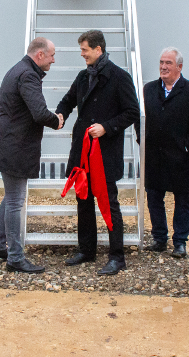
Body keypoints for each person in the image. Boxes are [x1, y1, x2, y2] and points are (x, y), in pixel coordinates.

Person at [56, 30, 141, 276]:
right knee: (83, 199)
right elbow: (67, 100)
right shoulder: (83, 77)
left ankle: (117, 256)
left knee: (108, 202)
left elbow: (132, 112)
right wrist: (60, 115)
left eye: (84, 50)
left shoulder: (119, 77)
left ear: (98, 49)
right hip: (82, 151)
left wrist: (107, 127)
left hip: (105, 152)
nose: (82, 54)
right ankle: (87, 250)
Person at [0, 37, 62, 273]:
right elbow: (38, 112)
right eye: (52, 55)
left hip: (8, 143)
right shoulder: (28, 75)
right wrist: (56, 120)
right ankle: (15, 257)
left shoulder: (19, 69)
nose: (54, 60)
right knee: (15, 201)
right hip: (13, 145)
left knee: (10, 197)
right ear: (39, 55)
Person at [142, 47, 189, 258]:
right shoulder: (149, 89)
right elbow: (139, 118)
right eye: (161, 62)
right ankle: (159, 238)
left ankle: (180, 241)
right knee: (154, 197)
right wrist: (141, 140)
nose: (163, 67)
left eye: (168, 63)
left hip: (180, 157)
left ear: (179, 67)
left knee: (182, 200)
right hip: (154, 155)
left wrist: (187, 146)